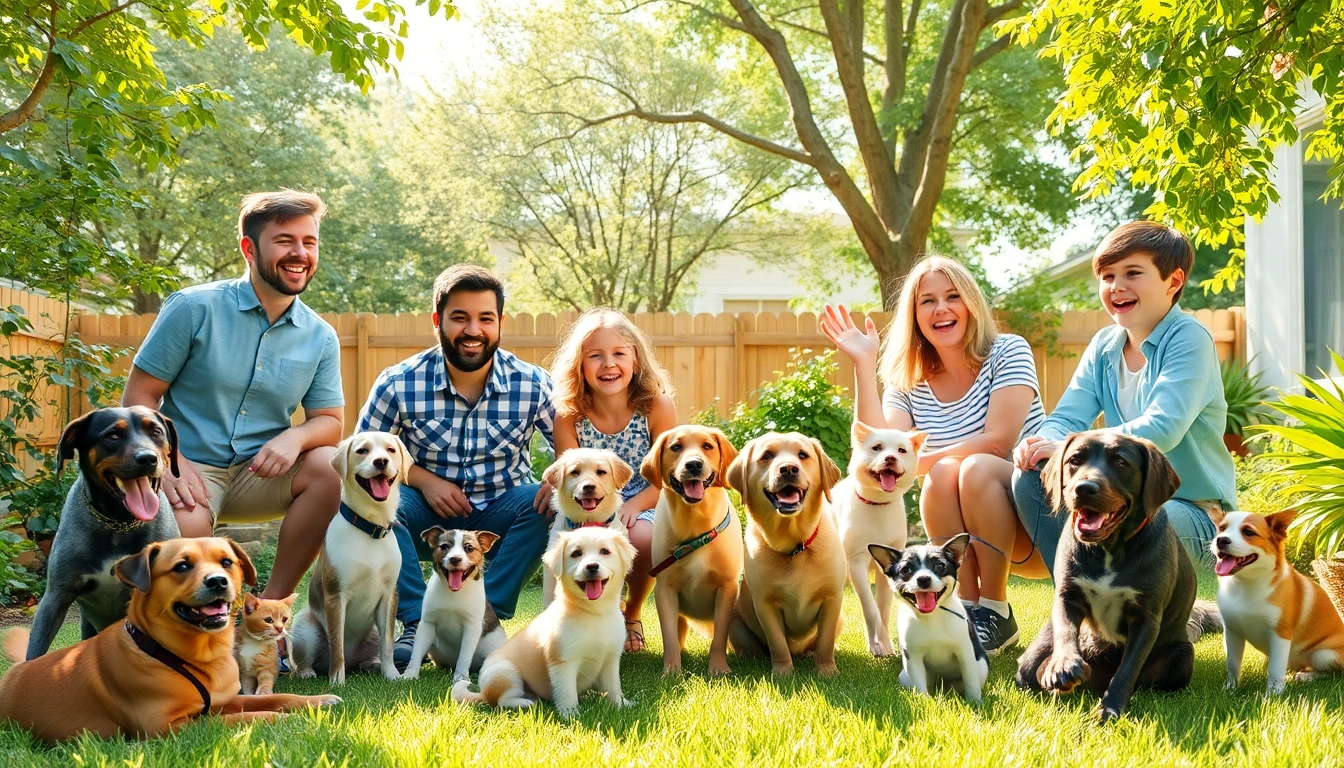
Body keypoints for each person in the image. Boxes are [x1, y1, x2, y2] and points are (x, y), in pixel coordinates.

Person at [122, 190, 343, 600]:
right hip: (190, 469)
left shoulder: (321, 337)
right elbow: (139, 398)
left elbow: (329, 421)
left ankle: (268, 610)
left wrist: (293, 438)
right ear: (248, 248)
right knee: (189, 541)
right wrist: (170, 462)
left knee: (331, 465)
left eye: (309, 242)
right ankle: (192, 635)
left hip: (261, 475)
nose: (300, 253)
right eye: (285, 240)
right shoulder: (192, 308)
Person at [820, 255, 1047, 654]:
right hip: (972, 532)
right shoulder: (908, 380)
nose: (941, 308)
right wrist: (863, 363)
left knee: (971, 467)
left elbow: (1000, 441)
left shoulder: (1008, 351)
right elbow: (880, 444)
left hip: (1034, 526)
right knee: (942, 475)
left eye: (952, 296)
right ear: (914, 314)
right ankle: (967, 609)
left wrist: (910, 464)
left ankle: (996, 608)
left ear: (971, 304)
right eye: (927, 301)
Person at [357, 265, 555, 672]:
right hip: (426, 511)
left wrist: (557, 482)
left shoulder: (533, 384)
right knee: (380, 503)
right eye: (460, 318)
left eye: (485, 318)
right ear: (437, 321)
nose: (473, 330)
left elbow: (572, 460)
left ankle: (485, 616)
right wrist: (423, 480)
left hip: (501, 506)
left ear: (500, 323)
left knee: (545, 503)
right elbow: (362, 459)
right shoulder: (398, 383)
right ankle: (415, 620)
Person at [1011, 221, 1236, 575]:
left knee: (1145, 518)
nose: (1117, 287)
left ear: (1173, 281)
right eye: (1107, 276)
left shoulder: (1189, 339)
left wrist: (1075, 449)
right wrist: (1040, 443)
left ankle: (1107, 597)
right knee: (1030, 477)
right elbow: (1068, 416)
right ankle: (1076, 594)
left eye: (1133, 273)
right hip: (1120, 499)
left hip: (1191, 511)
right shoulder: (1104, 345)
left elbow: (1163, 427)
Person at [550, 308, 677, 653]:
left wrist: (634, 504)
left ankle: (631, 613)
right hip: (586, 505)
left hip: (644, 498)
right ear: (579, 365)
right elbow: (567, 475)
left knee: (643, 537)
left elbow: (667, 476)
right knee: (572, 538)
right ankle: (574, 617)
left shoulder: (656, 407)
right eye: (596, 356)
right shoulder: (569, 414)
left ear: (635, 360)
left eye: (619, 354)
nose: (609, 364)